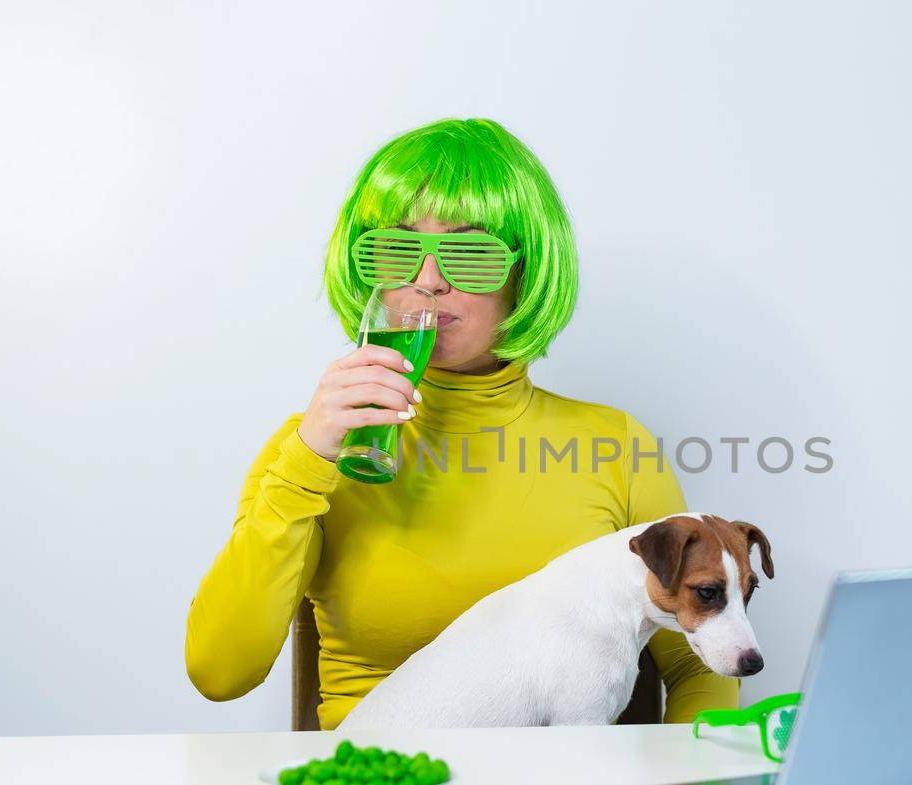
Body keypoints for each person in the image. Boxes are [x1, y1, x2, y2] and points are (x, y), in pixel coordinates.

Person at [184, 117, 737, 729]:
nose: (426, 282)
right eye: (394, 250)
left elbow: (697, 666)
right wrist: (306, 461)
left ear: (526, 275)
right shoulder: (313, 447)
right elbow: (220, 673)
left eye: (469, 254)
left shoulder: (614, 444)